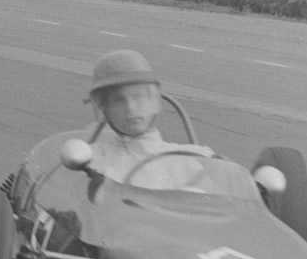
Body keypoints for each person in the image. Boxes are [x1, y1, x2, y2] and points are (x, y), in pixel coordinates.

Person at [86, 49, 213, 186]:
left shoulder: (193, 158)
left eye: (138, 97)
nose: (130, 107)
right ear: (105, 108)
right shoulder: (92, 158)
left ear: (153, 98)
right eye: (118, 100)